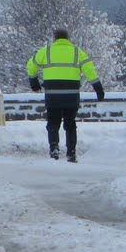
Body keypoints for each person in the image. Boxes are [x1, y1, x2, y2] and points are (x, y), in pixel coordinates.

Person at [27, 27, 104, 162]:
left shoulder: (47, 51)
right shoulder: (76, 52)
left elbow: (31, 65)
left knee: (53, 123)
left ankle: (54, 149)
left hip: (52, 95)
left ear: (54, 38)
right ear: (68, 38)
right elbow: (89, 70)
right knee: (70, 124)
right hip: (71, 95)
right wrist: (98, 87)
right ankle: (71, 153)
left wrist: (34, 81)